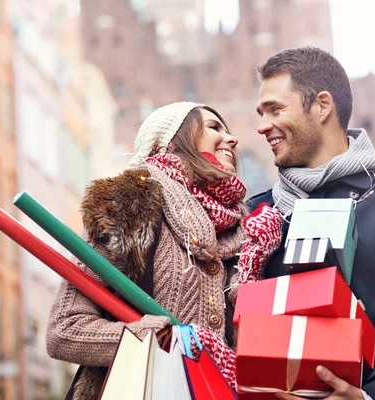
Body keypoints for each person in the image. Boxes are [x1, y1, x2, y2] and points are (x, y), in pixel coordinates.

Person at [247, 47, 375, 400]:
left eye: (275, 109)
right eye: (261, 112)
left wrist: (373, 396)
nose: (262, 125)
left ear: (323, 105)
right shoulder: (258, 213)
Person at [46, 102, 282, 399]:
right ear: (171, 142)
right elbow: (65, 330)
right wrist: (164, 340)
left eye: (229, 130)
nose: (232, 139)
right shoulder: (132, 205)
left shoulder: (248, 229)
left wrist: (254, 265)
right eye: (214, 127)